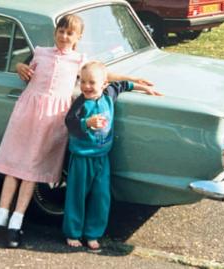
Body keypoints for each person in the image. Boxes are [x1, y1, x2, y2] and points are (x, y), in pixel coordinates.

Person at [0, 14, 152, 248]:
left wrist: (133, 80)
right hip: (27, 115)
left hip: (52, 121)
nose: (64, 36)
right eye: (61, 31)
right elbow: (22, 66)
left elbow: (104, 75)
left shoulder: (78, 61)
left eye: (70, 33)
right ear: (55, 33)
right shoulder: (40, 52)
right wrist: (18, 66)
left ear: (78, 38)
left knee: (31, 172)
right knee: (13, 166)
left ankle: (15, 224)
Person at [63, 61, 162, 250]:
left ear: (104, 84)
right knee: (77, 195)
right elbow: (70, 122)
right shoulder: (81, 102)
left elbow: (123, 84)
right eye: (83, 81)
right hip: (82, 157)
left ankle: (92, 234)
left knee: (101, 196)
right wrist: (87, 123)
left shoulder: (109, 94)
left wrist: (143, 87)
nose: (86, 86)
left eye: (92, 82)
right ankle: (73, 233)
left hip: (102, 157)